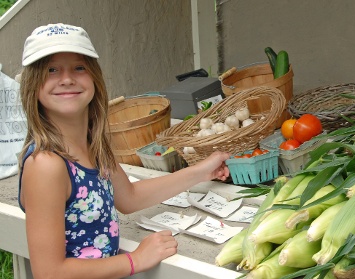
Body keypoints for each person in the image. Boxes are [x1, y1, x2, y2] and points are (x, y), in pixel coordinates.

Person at [17, 23, 231, 279]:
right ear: (32, 85)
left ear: (94, 77)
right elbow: (49, 272)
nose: (67, 79)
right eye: (51, 69)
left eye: (79, 67)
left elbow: (129, 197)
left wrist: (199, 172)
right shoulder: (46, 164)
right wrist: (134, 260)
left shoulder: (93, 146)